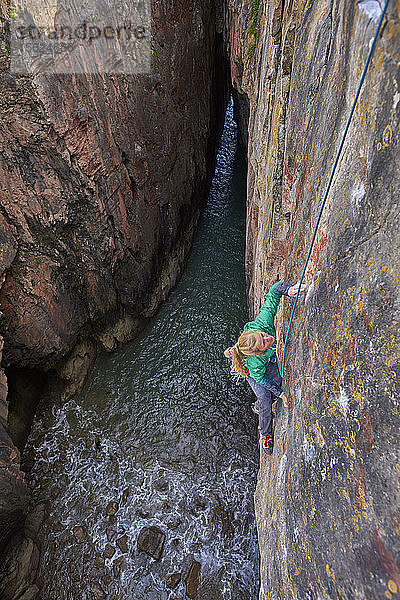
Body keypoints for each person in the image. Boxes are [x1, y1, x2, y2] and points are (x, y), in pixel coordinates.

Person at [224, 281, 306, 455]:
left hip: (263, 359)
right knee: (266, 400)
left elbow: (274, 291)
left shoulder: (262, 325)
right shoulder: (254, 363)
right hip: (253, 373)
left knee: (277, 380)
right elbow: (262, 380)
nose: (268, 337)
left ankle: (233, 351)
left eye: (263, 336)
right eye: (264, 342)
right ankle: (265, 434)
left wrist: (289, 290)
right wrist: (281, 394)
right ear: (258, 352)